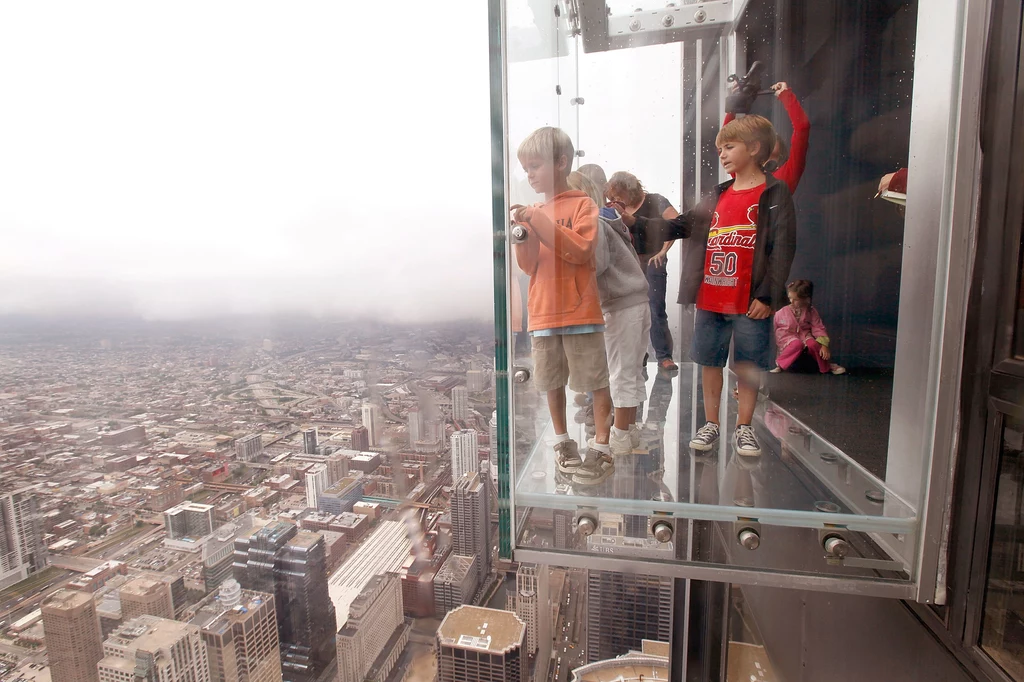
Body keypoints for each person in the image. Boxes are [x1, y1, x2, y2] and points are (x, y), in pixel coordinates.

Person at [661, 115, 797, 457]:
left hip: (750, 300)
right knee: (709, 362)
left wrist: (768, 295)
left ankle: (745, 427)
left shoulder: (774, 192)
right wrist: (634, 224)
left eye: (729, 146)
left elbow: (783, 247)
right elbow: (682, 225)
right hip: (712, 297)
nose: (722, 154)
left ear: (754, 148)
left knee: (748, 365)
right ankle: (711, 424)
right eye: (720, 148)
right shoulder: (717, 194)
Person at [511, 127, 615, 485]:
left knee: (595, 382)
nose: (530, 175)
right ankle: (562, 442)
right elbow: (528, 267)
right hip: (542, 315)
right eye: (526, 168)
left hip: (580, 312)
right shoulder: (535, 211)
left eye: (535, 165)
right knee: (551, 382)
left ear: (562, 162)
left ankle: (601, 448)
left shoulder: (583, 205)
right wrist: (523, 235)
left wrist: (537, 221)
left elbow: (581, 249)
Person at [567, 170, 651, 456]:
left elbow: (597, 264)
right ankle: (629, 429)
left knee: (620, 373)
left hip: (621, 305)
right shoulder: (608, 220)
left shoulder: (596, 224)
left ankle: (620, 435)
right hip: (634, 302)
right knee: (631, 369)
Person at [605, 171, 681, 373]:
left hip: (652, 260)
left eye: (618, 195)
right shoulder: (616, 208)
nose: (615, 200)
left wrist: (663, 251)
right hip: (629, 263)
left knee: (655, 308)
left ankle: (664, 356)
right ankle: (639, 355)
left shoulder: (656, 201)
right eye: (612, 197)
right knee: (632, 310)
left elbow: (676, 223)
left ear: (629, 190)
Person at [724, 82, 809, 195]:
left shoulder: (788, 174)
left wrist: (786, 96)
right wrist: (733, 105)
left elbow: (802, 127)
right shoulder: (743, 172)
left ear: (781, 150)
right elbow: (725, 142)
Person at [771, 279, 846, 375]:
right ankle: (780, 364)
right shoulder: (781, 312)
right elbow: (777, 330)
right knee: (796, 344)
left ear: (805, 298)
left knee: (813, 344)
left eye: (796, 299)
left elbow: (818, 327)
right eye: (790, 298)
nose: (791, 301)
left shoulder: (811, 311)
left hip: (805, 335)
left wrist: (824, 345)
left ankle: (826, 367)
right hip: (787, 337)